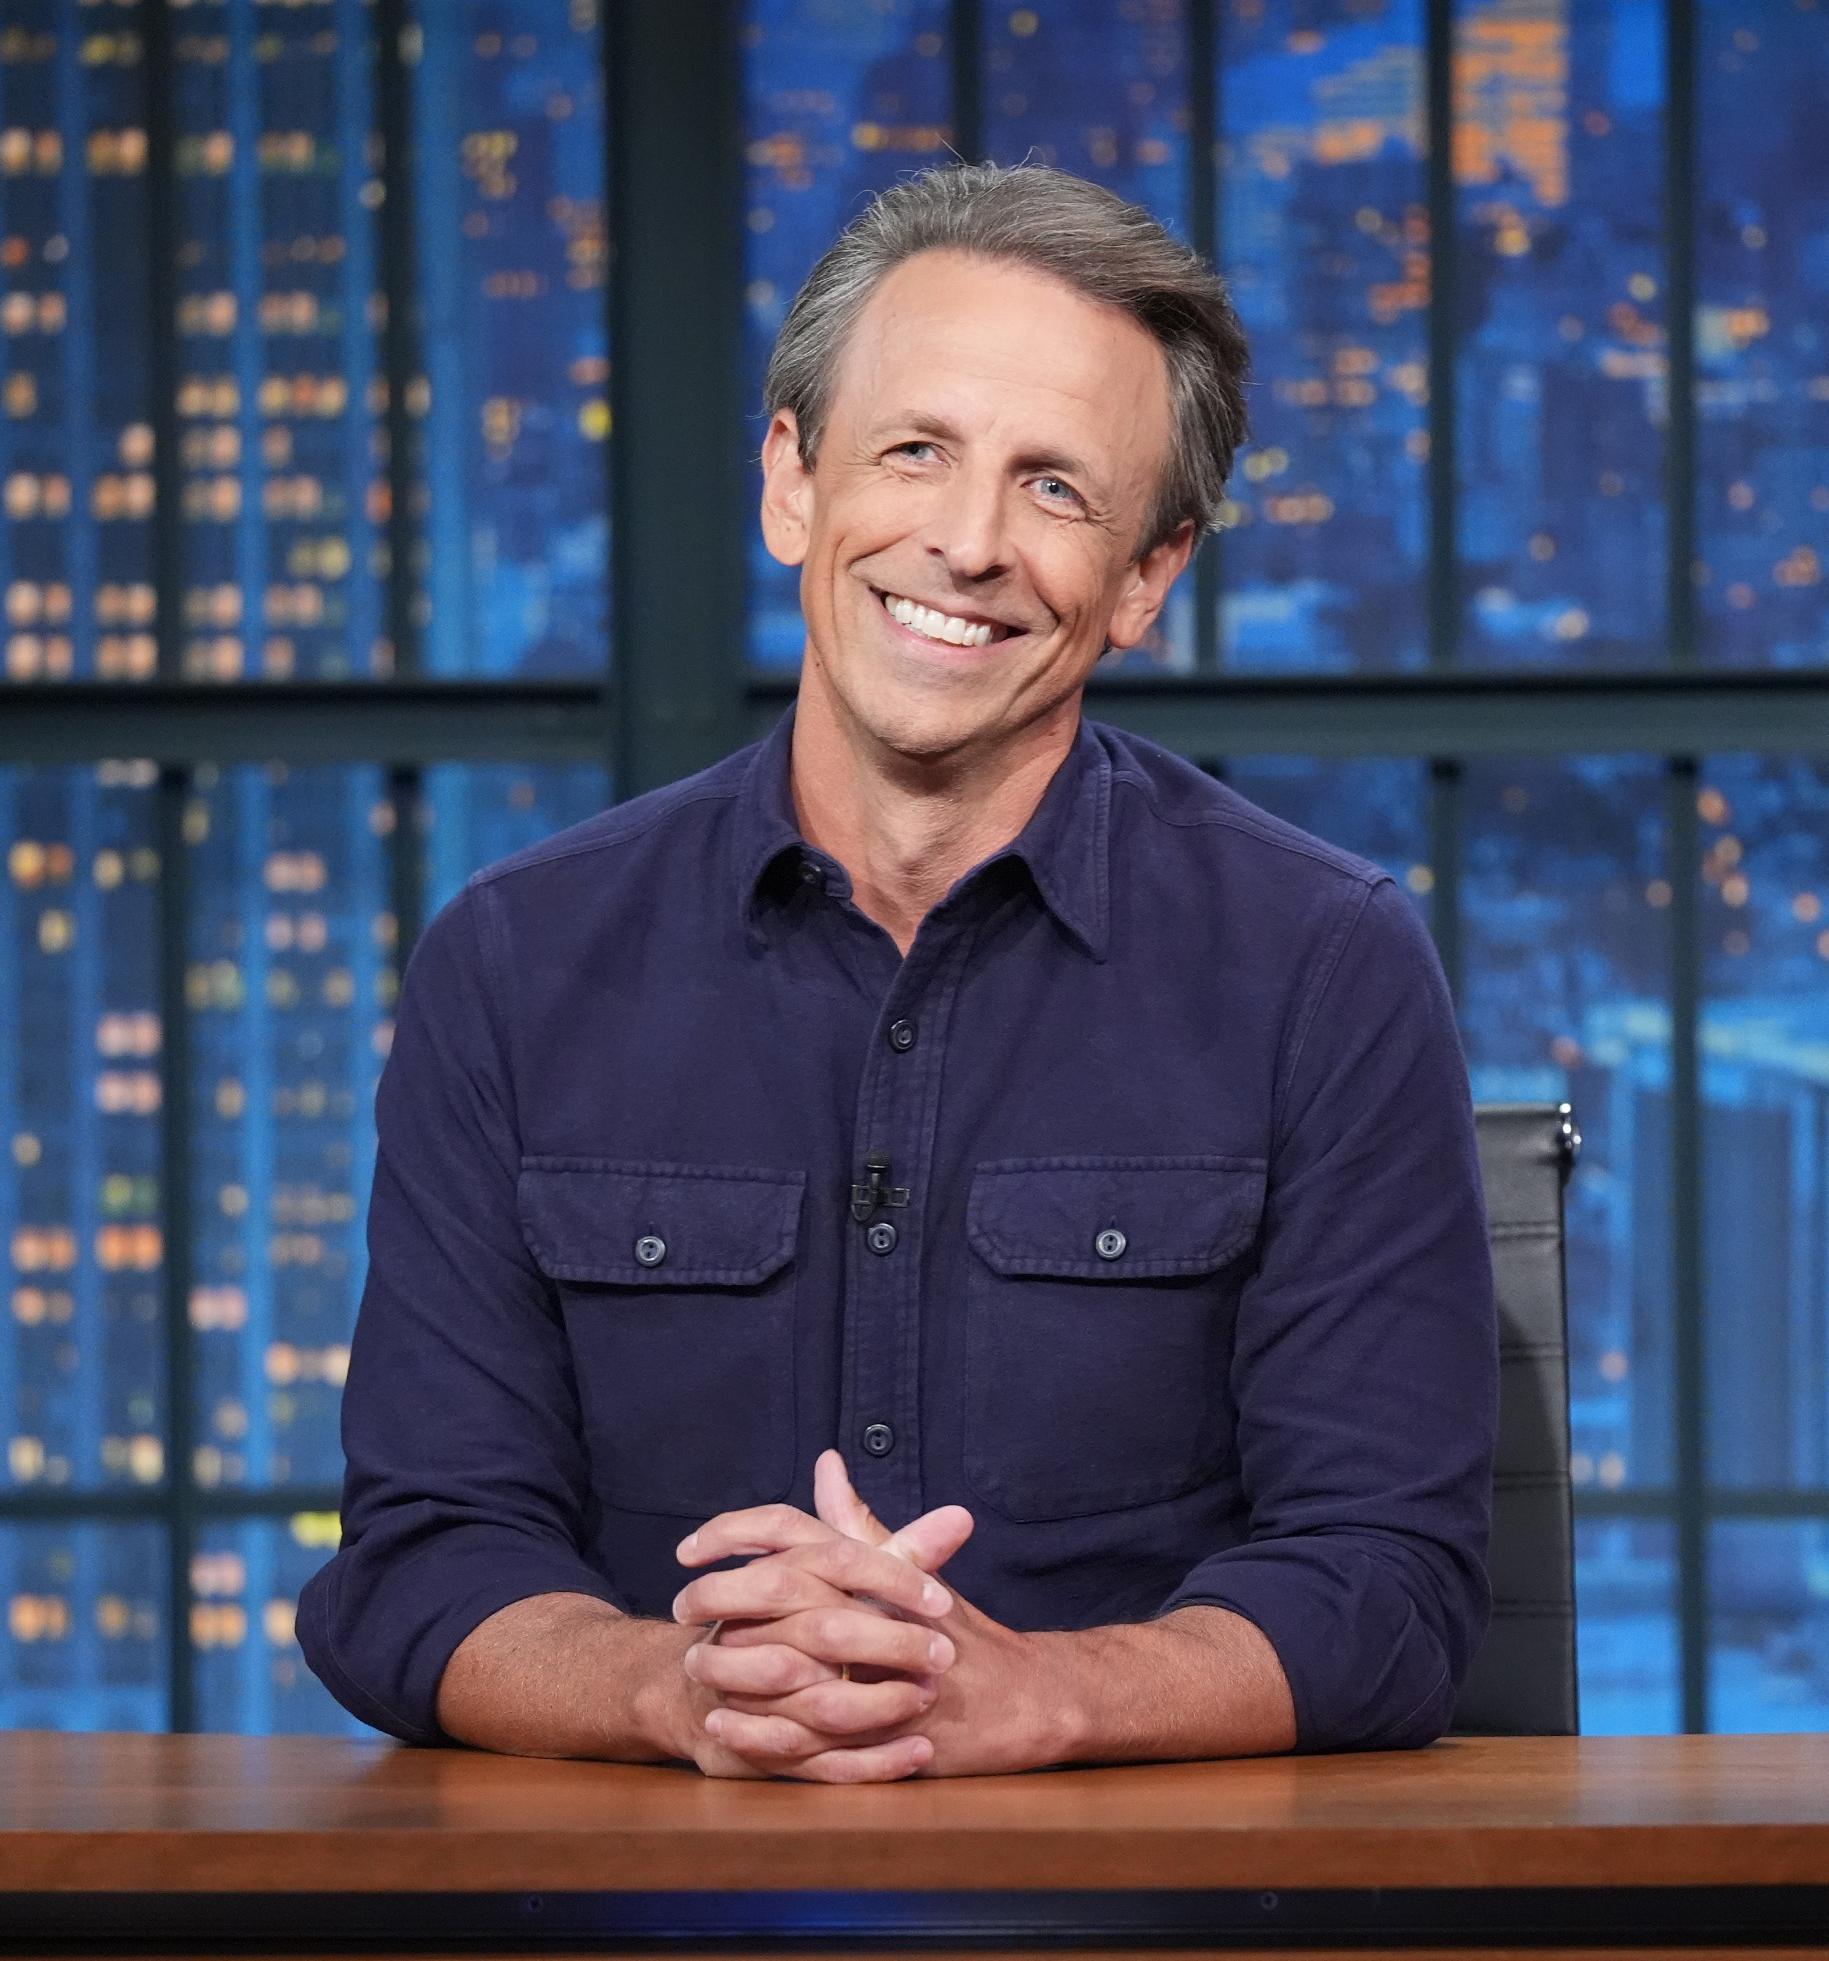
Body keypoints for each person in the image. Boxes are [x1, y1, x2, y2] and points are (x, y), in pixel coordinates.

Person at [294, 165, 1497, 1781]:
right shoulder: (517, 962)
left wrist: (1032, 1697)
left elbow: (1390, 1591)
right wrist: (680, 1691)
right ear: (790, 479)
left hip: (1156, 1923)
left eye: (1058, 490)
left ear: (1148, 576)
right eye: (915, 450)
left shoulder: (1324, 965)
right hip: (629, 1914)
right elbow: (421, 1564)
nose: (969, 541)